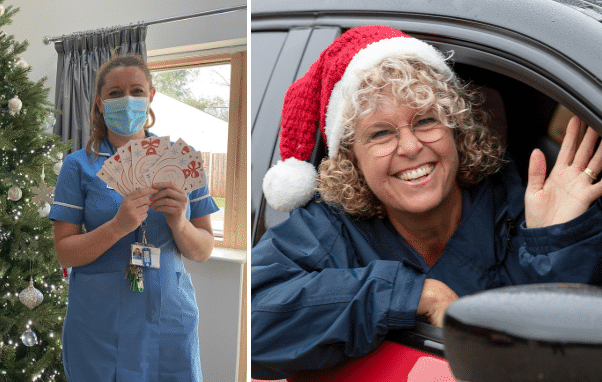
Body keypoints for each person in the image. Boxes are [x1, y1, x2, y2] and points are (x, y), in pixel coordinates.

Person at [252, 25, 602, 380]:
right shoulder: (327, 231)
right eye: (381, 133)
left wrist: (554, 241)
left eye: (426, 121)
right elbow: (250, 326)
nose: (409, 146)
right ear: (351, 160)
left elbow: (555, 351)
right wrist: (413, 295)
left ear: (455, 128)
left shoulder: (518, 204)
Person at [49, 53, 220, 381]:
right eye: (114, 93)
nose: (126, 99)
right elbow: (64, 251)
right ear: (100, 102)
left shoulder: (182, 160)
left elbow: (202, 250)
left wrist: (180, 223)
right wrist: (117, 227)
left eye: (137, 91)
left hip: (167, 320)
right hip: (98, 324)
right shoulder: (78, 165)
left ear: (151, 96)